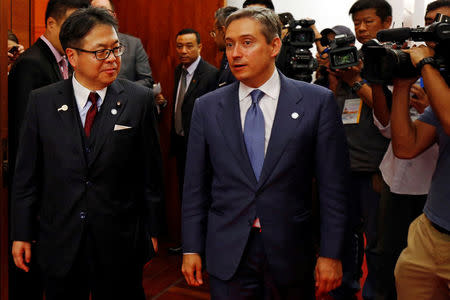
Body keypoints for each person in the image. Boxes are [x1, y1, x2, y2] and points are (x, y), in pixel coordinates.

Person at [181, 7, 349, 299]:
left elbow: (333, 188)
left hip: (291, 249)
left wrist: (332, 253)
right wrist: (191, 247)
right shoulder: (207, 107)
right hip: (228, 250)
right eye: (230, 43)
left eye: (247, 42)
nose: (235, 53)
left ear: (274, 46)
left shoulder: (316, 102)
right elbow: (195, 187)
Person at [11, 7, 163, 300]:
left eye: (116, 49)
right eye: (100, 52)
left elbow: (150, 173)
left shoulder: (138, 99)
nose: (113, 59)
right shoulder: (42, 102)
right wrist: (21, 232)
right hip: (61, 238)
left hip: (120, 239)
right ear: (72, 56)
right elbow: (27, 175)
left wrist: (153, 231)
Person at [390, 1, 450, 298]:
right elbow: (406, 146)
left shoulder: (440, 85)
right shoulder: (445, 85)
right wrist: (401, 86)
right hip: (431, 230)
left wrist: (426, 65)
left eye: (445, 28)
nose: (435, 37)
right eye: (431, 27)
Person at [168, 28, 218, 255]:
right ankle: (189, 243)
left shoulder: (210, 74)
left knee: (201, 196)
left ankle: (203, 247)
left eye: (189, 46)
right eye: (179, 46)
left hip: (201, 149)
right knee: (185, 195)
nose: (183, 51)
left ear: (200, 47)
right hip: (180, 144)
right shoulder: (179, 70)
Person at [90, 0, 167, 112]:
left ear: (113, 16)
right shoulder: (82, 46)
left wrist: (117, 90)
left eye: (103, 11)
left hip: (127, 109)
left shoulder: (133, 44)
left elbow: (147, 80)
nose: (99, 16)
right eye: (94, 12)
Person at [211, 6, 238, 88]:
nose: (214, 39)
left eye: (214, 32)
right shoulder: (226, 56)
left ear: (223, 31)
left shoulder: (237, 58)